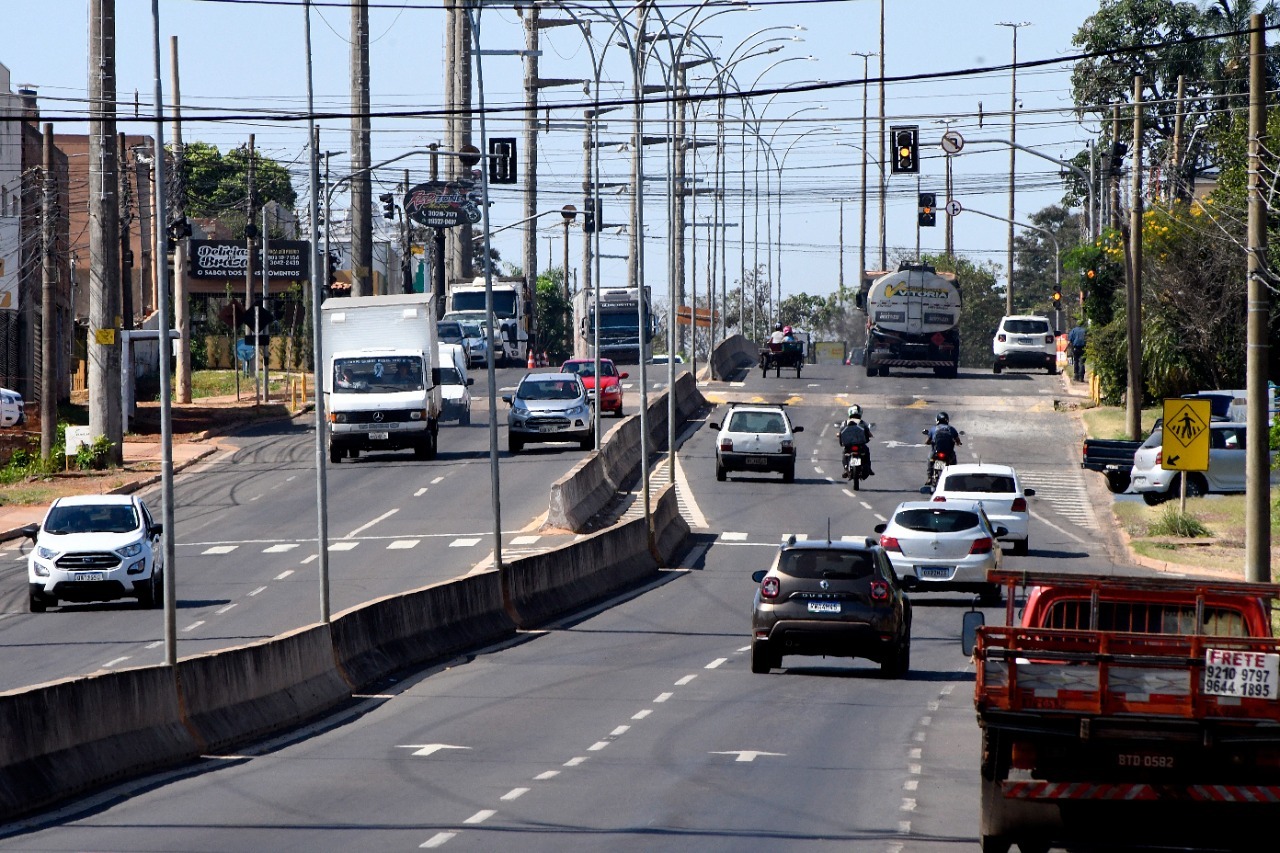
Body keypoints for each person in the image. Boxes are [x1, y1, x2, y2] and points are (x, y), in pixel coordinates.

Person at [838, 404, 874, 477]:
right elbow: (868, 432)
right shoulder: (862, 423)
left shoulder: (845, 423)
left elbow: (840, 432)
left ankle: (845, 469)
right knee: (866, 451)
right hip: (860, 444)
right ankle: (869, 468)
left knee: (845, 453)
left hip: (849, 445)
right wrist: (870, 435)